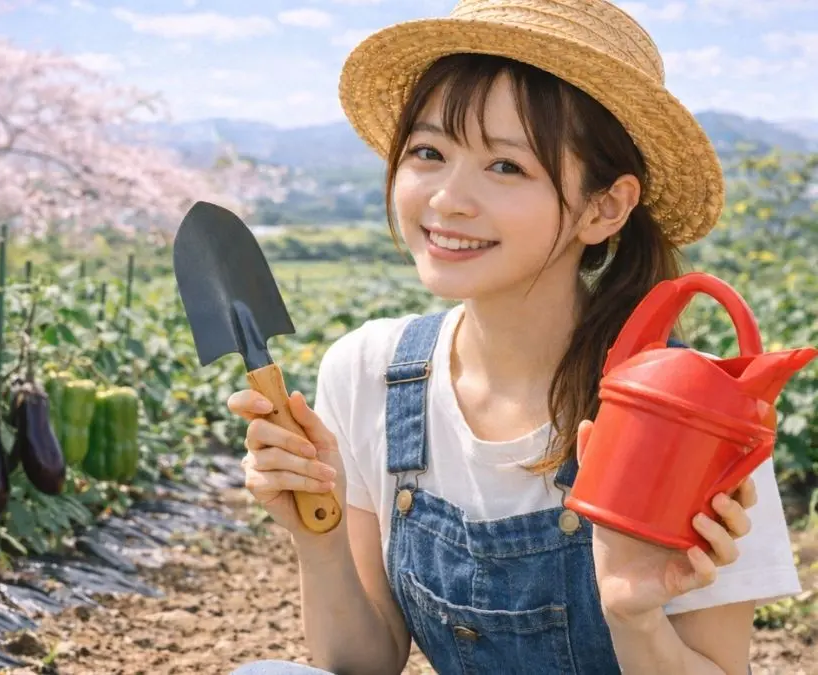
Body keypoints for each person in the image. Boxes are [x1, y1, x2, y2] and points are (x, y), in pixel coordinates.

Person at [224, 1, 802, 674]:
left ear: (604, 206)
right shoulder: (367, 370)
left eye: (505, 167)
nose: (447, 198)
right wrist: (315, 540)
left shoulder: (695, 411)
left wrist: (633, 615)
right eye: (429, 152)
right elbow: (363, 661)